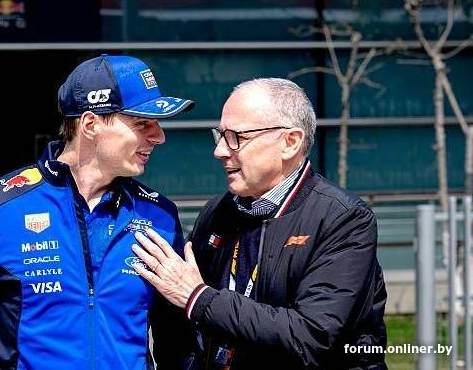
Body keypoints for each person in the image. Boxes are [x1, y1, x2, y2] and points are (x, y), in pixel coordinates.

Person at [0, 54, 195, 369]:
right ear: (90, 124)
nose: (159, 136)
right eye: (142, 123)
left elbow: (178, 339)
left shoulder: (159, 216)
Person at [132, 78, 388, 369]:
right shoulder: (219, 211)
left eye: (236, 137)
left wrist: (200, 299)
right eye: (220, 135)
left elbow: (312, 337)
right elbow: (177, 316)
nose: (220, 151)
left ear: (290, 142)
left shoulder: (344, 219)